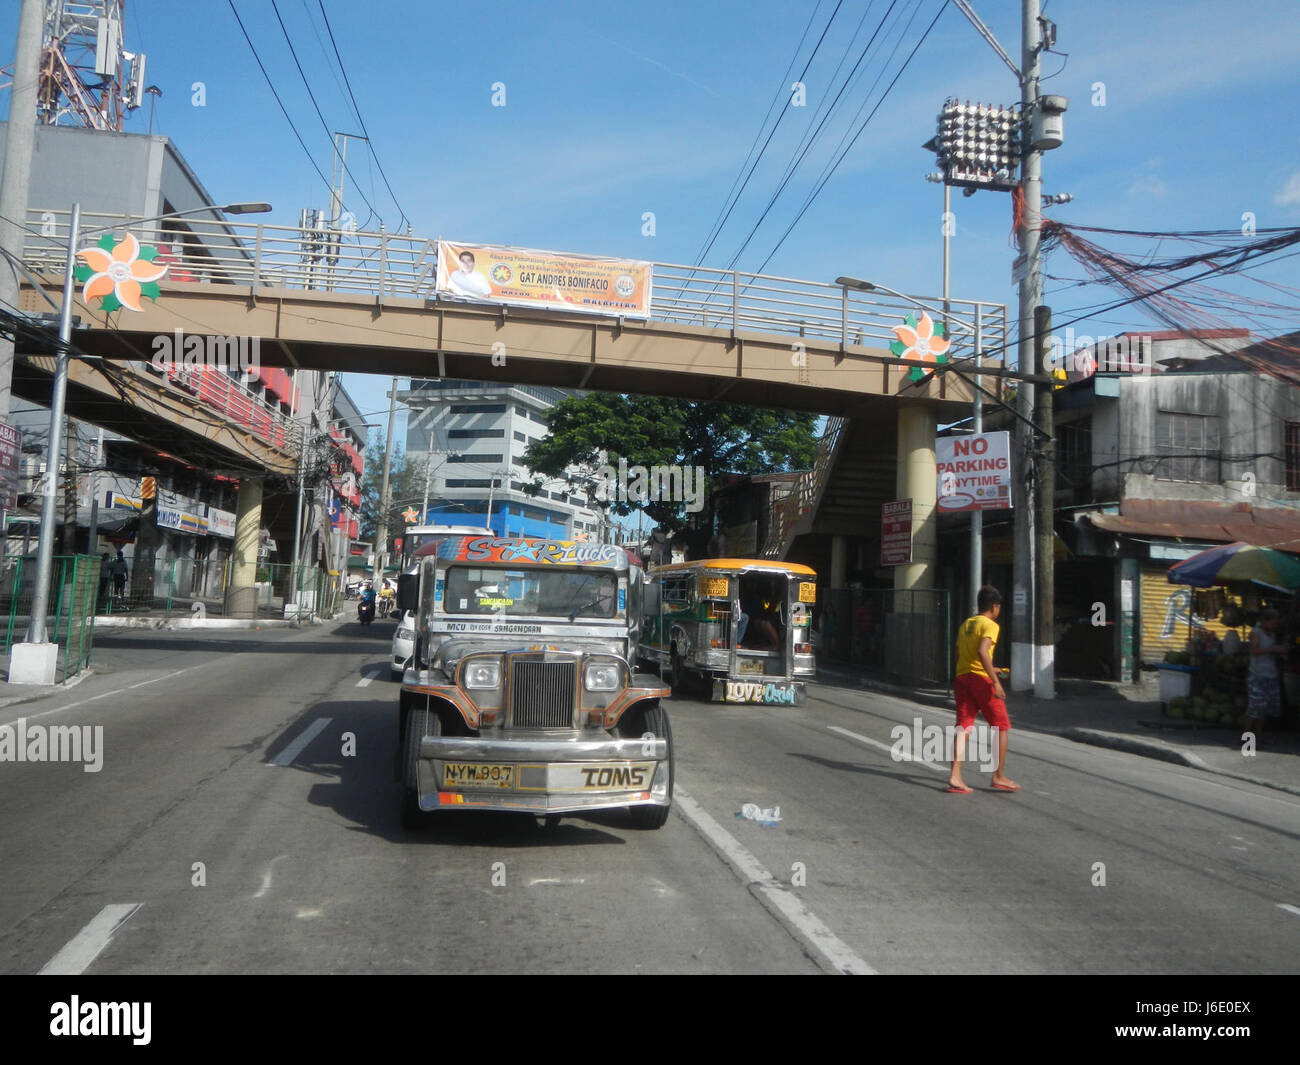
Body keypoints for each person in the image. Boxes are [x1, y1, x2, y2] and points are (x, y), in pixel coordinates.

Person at [947, 585, 1017, 794]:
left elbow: (961, 656)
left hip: (962, 678)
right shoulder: (990, 625)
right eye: (999, 607)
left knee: (963, 726)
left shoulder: (966, 624)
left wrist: (988, 670)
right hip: (981, 681)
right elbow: (982, 651)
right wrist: (995, 681)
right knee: (1001, 726)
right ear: (995, 607)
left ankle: (955, 775)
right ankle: (998, 775)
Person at [1245, 608, 1286, 743]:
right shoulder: (1256, 633)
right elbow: (1254, 651)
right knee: (1254, 707)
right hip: (1257, 674)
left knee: (1263, 709)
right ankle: (1247, 736)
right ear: (1264, 621)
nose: (1274, 626)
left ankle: (1259, 736)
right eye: (1272, 623)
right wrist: (1273, 649)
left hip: (1270, 674)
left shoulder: (1271, 635)